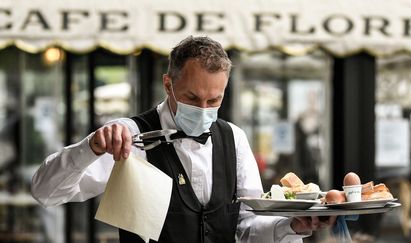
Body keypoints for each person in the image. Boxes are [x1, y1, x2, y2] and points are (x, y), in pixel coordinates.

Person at [31, 36, 335, 243]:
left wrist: (291, 226)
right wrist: (90, 148)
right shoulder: (128, 136)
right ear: (168, 84)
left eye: (214, 100)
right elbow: (46, 192)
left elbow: (246, 228)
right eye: (192, 97)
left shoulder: (234, 139)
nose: (203, 109)